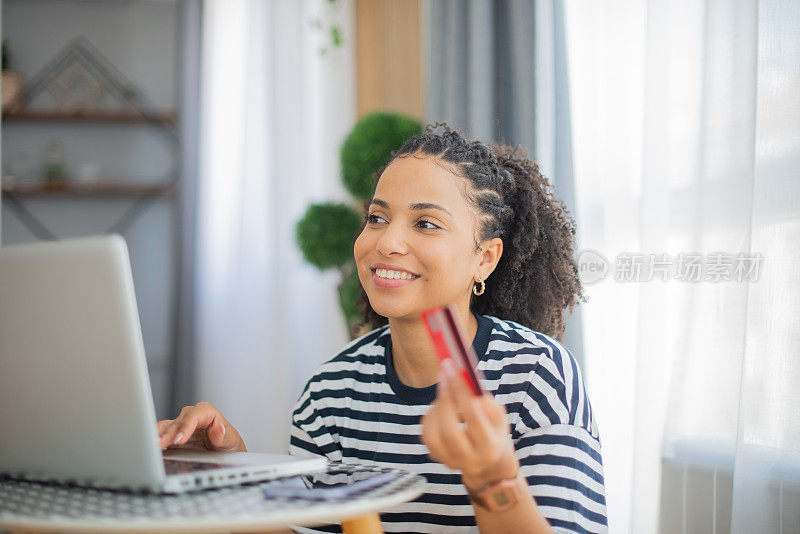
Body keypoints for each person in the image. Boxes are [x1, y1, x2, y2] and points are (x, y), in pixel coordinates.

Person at [158, 126, 607, 533]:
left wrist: (494, 479)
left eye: (426, 224)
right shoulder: (331, 391)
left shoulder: (536, 375)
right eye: (376, 218)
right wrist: (236, 472)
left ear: (484, 258)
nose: (386, 243)